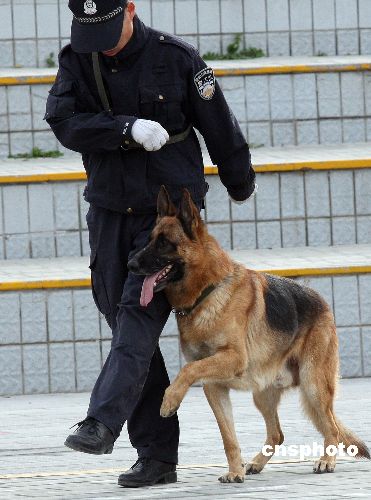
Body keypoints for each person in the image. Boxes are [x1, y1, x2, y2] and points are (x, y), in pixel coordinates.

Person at [44, 0, 256, 488]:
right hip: (109, 212)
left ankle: (101, 422)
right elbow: (63, 122)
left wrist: (239, 180)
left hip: (166, 221)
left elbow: (218, 124)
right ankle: (157, 457)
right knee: (123, 325)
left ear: (131, 11)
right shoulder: (78, 58)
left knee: (136, 316)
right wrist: (124, 129)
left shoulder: (176, 59)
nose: (102, 45)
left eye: (109, 32)